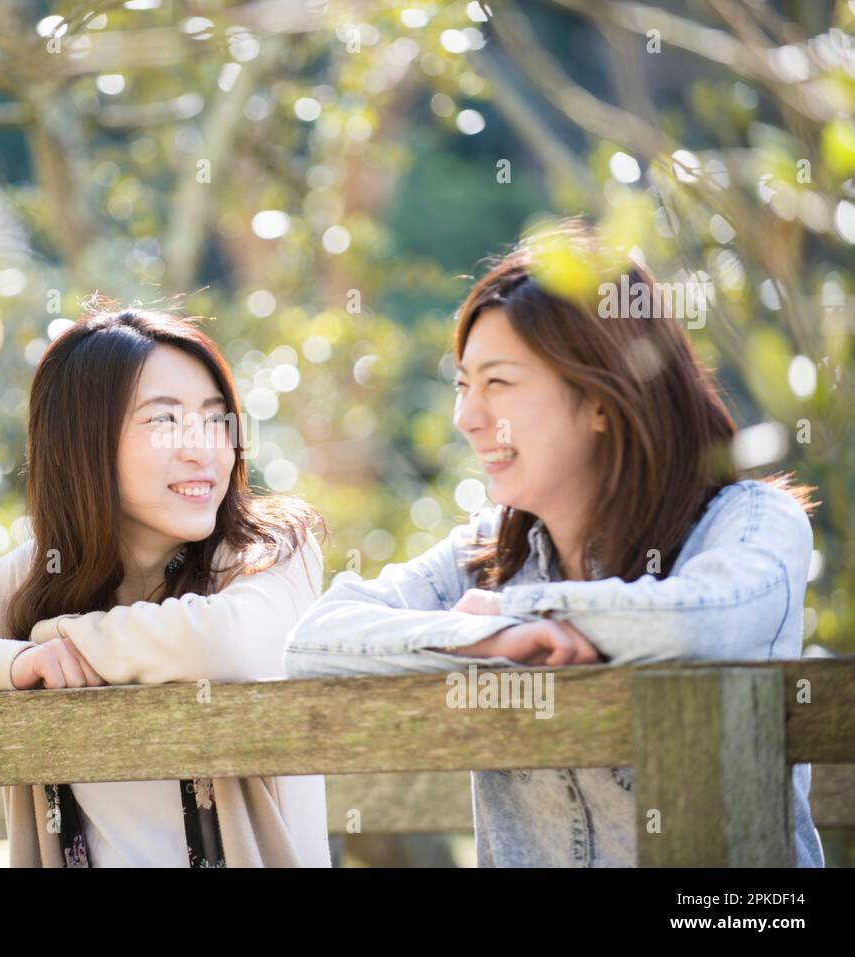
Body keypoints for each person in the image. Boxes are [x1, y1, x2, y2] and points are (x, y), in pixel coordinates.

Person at [283, 219, 824, 867]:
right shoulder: (491, 551)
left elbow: (704, 622)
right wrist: (486, 638)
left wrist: (525, 614)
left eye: (498, 383)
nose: (466, 415)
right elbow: (314, 640)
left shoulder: (750, 522)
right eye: (462, 384)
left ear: (602, 398)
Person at [0, 297, 330, 867]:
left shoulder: (273, 551)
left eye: (215, 418)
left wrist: (59, 637)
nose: (202, 448)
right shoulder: (42, 573)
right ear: (82, 444)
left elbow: (225, 644)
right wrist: (11, 667)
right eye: (163, 420)